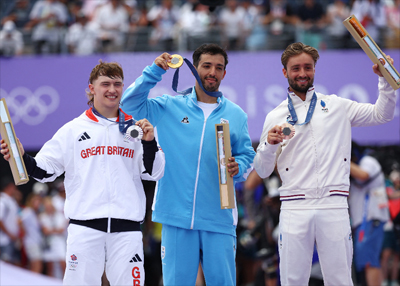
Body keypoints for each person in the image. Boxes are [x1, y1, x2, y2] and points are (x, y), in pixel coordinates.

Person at [1, 60, 165, 285]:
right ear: (91, 88)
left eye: (117, 84)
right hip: (85, 230)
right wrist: (21, 156)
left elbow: (154, 172)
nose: (112, 89)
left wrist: (149, 142)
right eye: (105, 83)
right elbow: (45, 170)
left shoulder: (136, 129)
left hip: (127, 232)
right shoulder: (72, 130)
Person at [253, 42, 397, 285]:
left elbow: (382, 114)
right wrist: (269, 144)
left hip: (334, 204)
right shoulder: (275, 116)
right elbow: (262, 169)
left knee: (340, 280)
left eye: (307, 67)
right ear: (284, 72)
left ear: (315, 70)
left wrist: (386, 82)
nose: (302, 73)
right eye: (295, 68)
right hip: (294, 206)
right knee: (292, 280)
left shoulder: (337, 105)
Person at [121, 43, 255, 285]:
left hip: (219, 217)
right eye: (206, 66)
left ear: (225, 73)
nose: (212, 72)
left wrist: (239, 167)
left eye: (218, 67)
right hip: (176, 217)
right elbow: (129, 104)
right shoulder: (170, 106)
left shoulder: (237, 115)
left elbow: (247, 155)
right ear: (194, 68)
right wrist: (154, 71)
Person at [348, 142, 389, 286]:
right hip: (362, 221)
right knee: (368, 260)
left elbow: (363, 175)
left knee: (369, 260)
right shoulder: (352, 168)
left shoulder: (367, 161)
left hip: (371, 218)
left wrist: (340, 158)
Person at [0, 178, 21, 266]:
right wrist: (9, 234)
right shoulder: (2, 201)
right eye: (13, 187)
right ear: (8, 187)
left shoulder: (12, 201)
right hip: (4, 239)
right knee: (6, 265)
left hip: (13, 238)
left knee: (15, 264)